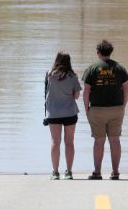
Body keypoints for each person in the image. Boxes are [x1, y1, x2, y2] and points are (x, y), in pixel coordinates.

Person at [82, 39, 128, 180]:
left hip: (97, 109)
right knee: (115, 140)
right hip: (117, 108)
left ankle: (97, 172)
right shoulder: (120, 68)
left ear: (98, 53)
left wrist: (86, 109)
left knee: (99, 141)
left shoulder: (92, 68)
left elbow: (86, 91)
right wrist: (123, 105)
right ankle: (115, 172)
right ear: (110, 52)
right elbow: (126, 88)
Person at [44, 52, 82, 180]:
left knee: (55, 142)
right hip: (70, 113)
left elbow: (47, 92)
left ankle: (55, 172)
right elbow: (77, 96)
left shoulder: (49, 74)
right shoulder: (73, 76)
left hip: (53, 113)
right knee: (69, 142)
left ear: (57, 61)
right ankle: (69, 172)